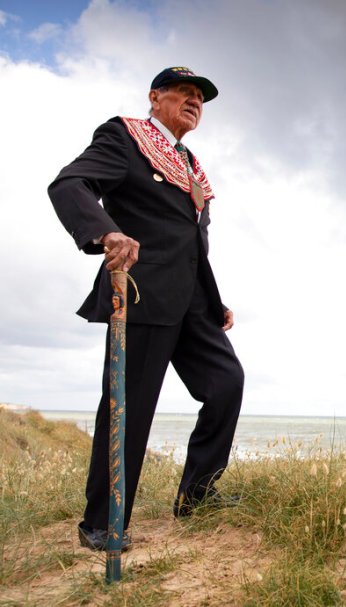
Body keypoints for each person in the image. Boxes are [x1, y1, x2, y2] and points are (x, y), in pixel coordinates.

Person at [48, 67, 244, 551]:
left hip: (194, 301)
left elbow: (194, 243)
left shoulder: (191, 165)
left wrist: (215, 302)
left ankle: (196, 495)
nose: (194, 101)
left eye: (200, 97)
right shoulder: (125, 138)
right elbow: (70, 183)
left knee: (226, 384)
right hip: (142, 292)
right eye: (184, 92)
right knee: (127, 409)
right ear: (155, 97)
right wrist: (105, 232)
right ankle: (101, 523)